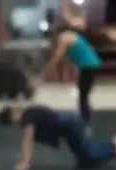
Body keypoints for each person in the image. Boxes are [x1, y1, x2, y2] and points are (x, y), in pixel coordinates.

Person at [0, 105, 116, 170]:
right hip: (68, 123)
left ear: (13, 117)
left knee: (88, 154)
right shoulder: (29, 113)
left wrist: (25, 162)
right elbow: (29, 139)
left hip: (69, 124)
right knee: (85, 153)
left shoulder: (27, 117)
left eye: (12, 123)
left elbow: (27, 139)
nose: (15, 125)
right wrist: (24, 156)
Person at [39, 0, 101, 128]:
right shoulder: (70, 35)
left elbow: (58, 56)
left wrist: (48, 69)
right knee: (83, 93)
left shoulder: (64, 38)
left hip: (89, 65)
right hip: (89, 64)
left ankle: (85, 119)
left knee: (83, 94)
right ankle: (85, 116)